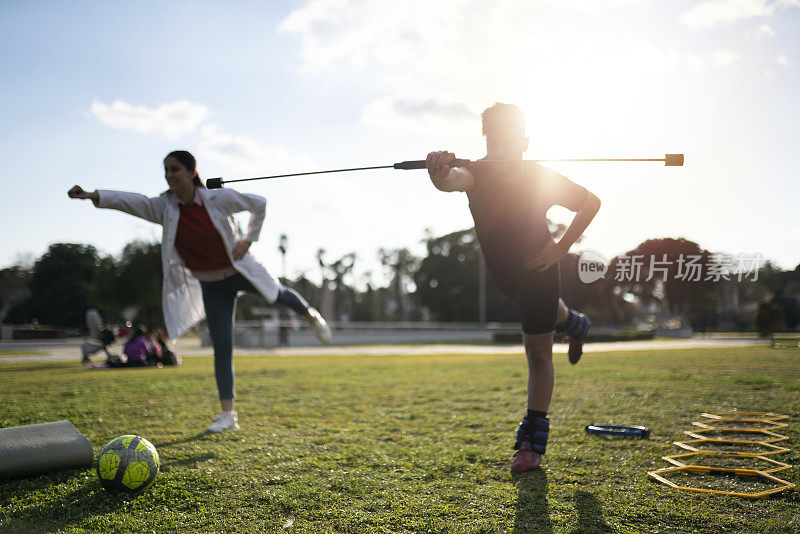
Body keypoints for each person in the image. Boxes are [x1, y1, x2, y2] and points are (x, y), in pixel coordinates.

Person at [68, 150, 331, 432]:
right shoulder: (164, 207)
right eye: (166, 170)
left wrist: (248, 240)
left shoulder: (218, 198)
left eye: (175, 169)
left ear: (192, 172)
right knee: (222, 348)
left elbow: (259, 203)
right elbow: (134, 202)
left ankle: (311, 316)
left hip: (239, 271)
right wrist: (93, 195)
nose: (169, 176)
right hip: (211, 283)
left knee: (278, 294)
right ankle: (228, 416)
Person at [425, 103, 600, 474]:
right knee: (546, 311)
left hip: (539, 271)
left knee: (538, 354)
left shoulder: (540, 177)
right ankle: (576, 324)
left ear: (525, 142)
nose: (501, 151)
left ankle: (530, 443)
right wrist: (438, 172)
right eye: (494, 143)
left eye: (509, 143)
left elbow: (591, 203)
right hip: (504, 276)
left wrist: (559, 248)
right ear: (485, 140)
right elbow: (450, 181)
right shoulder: (475, 172)